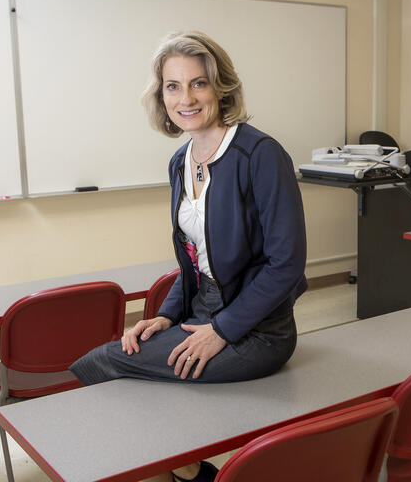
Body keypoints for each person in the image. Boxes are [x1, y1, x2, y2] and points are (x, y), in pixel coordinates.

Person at [69, 31, 307, 482]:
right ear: (161, 96)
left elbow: (287, 265)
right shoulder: (180, 161)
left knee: (101, 364)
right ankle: (187, 468)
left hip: (258, 331)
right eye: (173, 86)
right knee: (129, 367)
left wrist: (222, 330)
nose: (186, 99)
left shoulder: (260, 154)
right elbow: (195, 259)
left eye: (198, 83)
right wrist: (165, 315)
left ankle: (191, 474)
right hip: (202, 313)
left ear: (221, 87)